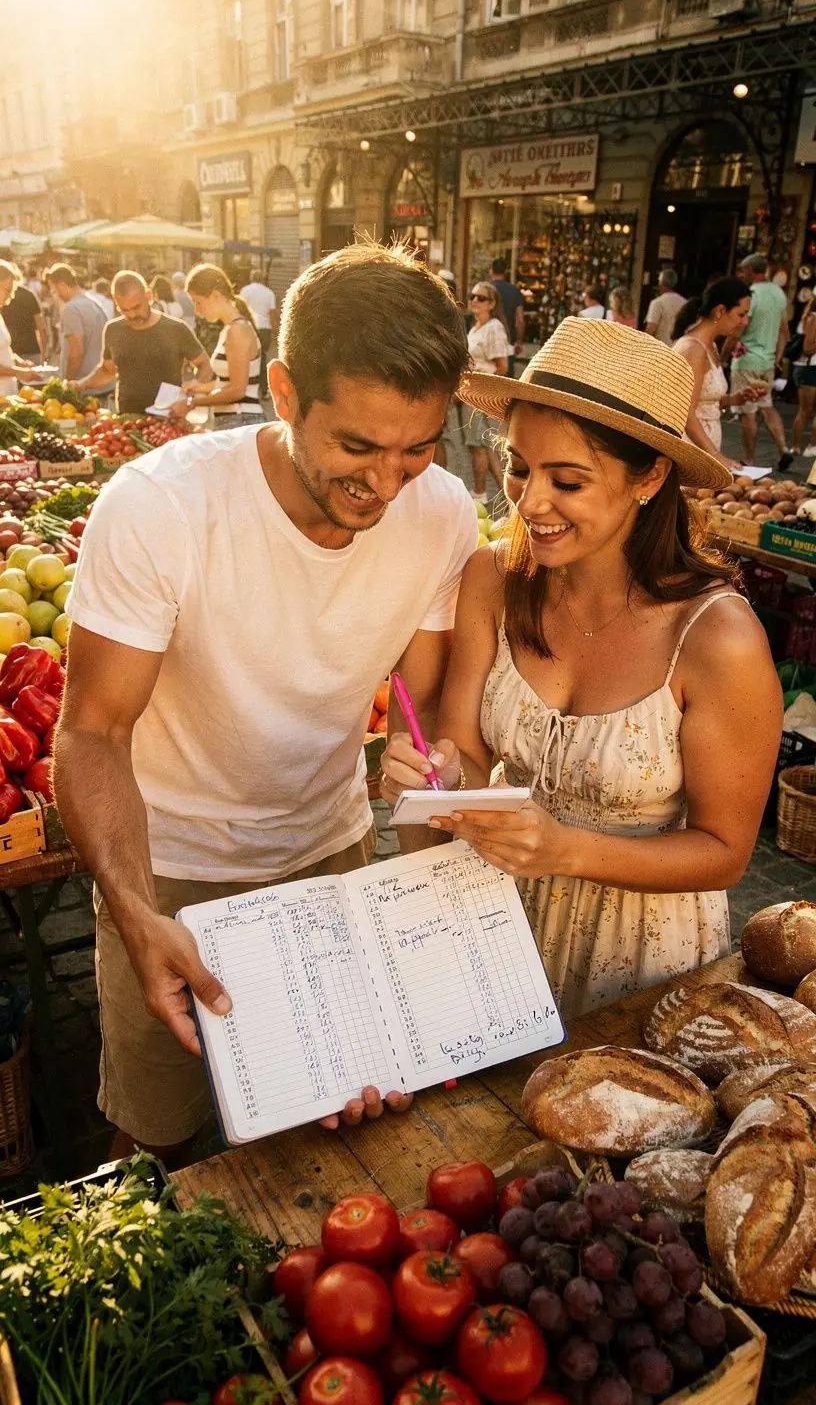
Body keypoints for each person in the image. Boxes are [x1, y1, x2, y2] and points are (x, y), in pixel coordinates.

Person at [54, 241, 476, 1160]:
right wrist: (134, 910)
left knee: (321, 1136)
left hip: (330, 854)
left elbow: (420, 691)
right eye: (356, 446)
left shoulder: (443, 512)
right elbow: (90, 731)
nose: (384, 483)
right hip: (168, 870)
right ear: (283, 393)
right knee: (155, 1141)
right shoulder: (163, 505)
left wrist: (431, 759)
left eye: (415, 450)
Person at [379, 317, 781, 1019]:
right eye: (518, 466)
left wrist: (564, 850)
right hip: (501, 924)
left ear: (650, 477)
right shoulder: (491, 580)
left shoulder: (719, 638)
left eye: (567, 480)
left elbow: (724, 853)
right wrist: (437, 783)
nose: (529, 502)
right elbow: (467, 752)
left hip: (648, 962)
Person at [73, 271, 213, 416]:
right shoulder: (112, 329)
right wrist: (81, 384)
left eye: (136, 307)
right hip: (127, 420)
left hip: (169, 419)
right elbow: (107, 370)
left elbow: (204, 364)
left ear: (149, 296)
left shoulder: (176, 328)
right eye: (124, 310)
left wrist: (195, 386)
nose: (132, 315)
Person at [670, 278, 754, 464]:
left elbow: (701, 400)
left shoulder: (711, 346)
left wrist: (733, 399)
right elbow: (685, 412)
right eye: (741, 314)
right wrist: (716, 456)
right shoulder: (694, 349)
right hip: (690, 449)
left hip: (703, 448)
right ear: (720, 311)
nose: (745, 321)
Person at [171, 264, 263, 430]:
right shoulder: (231, 329)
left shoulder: (237, 331)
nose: (198, 311)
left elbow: (237, 390)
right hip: (235, 421)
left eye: (198, 302)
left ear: (215, 295)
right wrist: (199, 388)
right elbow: (228, 384)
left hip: (240, 421)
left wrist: (192, 402)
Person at [733, 254, 791, 468]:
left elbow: (741, 325)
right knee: (767, 406)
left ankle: (748, 459)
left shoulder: (751, 294)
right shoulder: (778, 293)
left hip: (747, 358)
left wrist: (728, 349)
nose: (741, 273)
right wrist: (778, 357)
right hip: (767, 361)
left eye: (743, 269)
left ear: (750, 270)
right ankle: (783, 449)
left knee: (748, 412)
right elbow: (785, 329)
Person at [465, 281, 509, 503]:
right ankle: (507, 498)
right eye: (472, 296)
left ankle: (480, 494)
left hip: (483, 396)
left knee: (479, 446)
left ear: (491, 303)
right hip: (473, 394)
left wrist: (485, 396)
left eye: (481, 297)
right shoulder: (475, 328)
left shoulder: (494, 327)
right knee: (485, 448)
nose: (474, 300)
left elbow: (502, 367)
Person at [43, 264, 107, 388]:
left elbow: (76, 353)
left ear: (62, 285)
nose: (55, 295)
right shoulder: (93, 302)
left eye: (54, 290)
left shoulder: (71, 309)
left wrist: (67, 384)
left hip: (82, 386)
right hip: (100, 382)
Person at [0, 261, 39, 393]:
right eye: (6, 290)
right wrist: (18, 372)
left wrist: (20, 362)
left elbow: (5, 350)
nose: (9, 297)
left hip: (7, 394)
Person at [489, 258, 525, 376]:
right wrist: (519, 341)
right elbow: (520, 320)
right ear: (506, 272)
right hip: (507, 343)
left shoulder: (486, 290)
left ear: (491, 271)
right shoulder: (514, 291)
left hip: (488, 340)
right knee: (507, 384)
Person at [1, 274, 47, 364]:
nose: (10, 297)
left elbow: (41, 325)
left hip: (19, 352)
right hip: (29, 350)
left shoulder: (28, 294)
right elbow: (41, 326)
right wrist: (45, 351)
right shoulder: (29, 294)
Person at [792, 298, 816, 457]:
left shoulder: (809, 316)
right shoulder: (813, 318)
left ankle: (804, 446)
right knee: (805, 410)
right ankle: (803, 446)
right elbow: (807, 348)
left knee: (806, 410)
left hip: (807, 368)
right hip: (809, 368)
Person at [239, 269, 278, 358]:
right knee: (263, 356)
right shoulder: (269, 293)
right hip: (265, 329)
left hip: (248, 327)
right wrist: (276, 332)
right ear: (262, 279)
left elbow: (240, 310)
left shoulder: (244, 291)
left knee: (248, 356)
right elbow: (272, 315)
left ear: (251, 278)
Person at [644, 269, 687, 346]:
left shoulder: (657, 303)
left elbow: (650, 330)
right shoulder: (685, 303)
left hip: (661, 350)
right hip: (678, 349)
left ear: (661, 283)